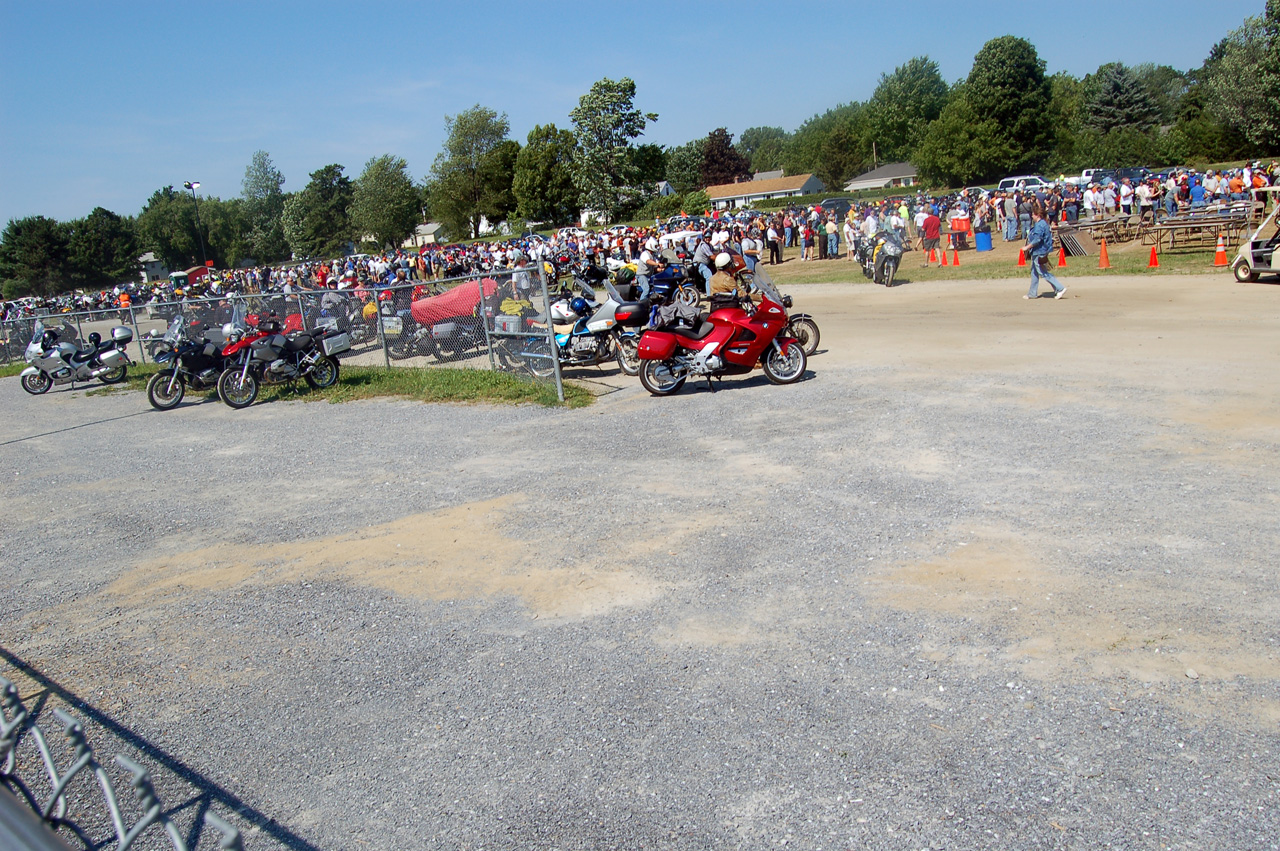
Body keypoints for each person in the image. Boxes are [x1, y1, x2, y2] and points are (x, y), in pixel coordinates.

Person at [1023, 208, 1066, 300]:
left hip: (1039, 251)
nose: (1032, 216)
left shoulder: (1040, 225)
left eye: (1033, 214)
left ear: (1037, 215)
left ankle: (1060, 288)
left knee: (1043, 273)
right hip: (1037, 251)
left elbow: (1037, 239)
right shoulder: (1041, 224)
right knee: (1034, 272)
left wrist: (1027, 247)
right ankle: (1032, 293)